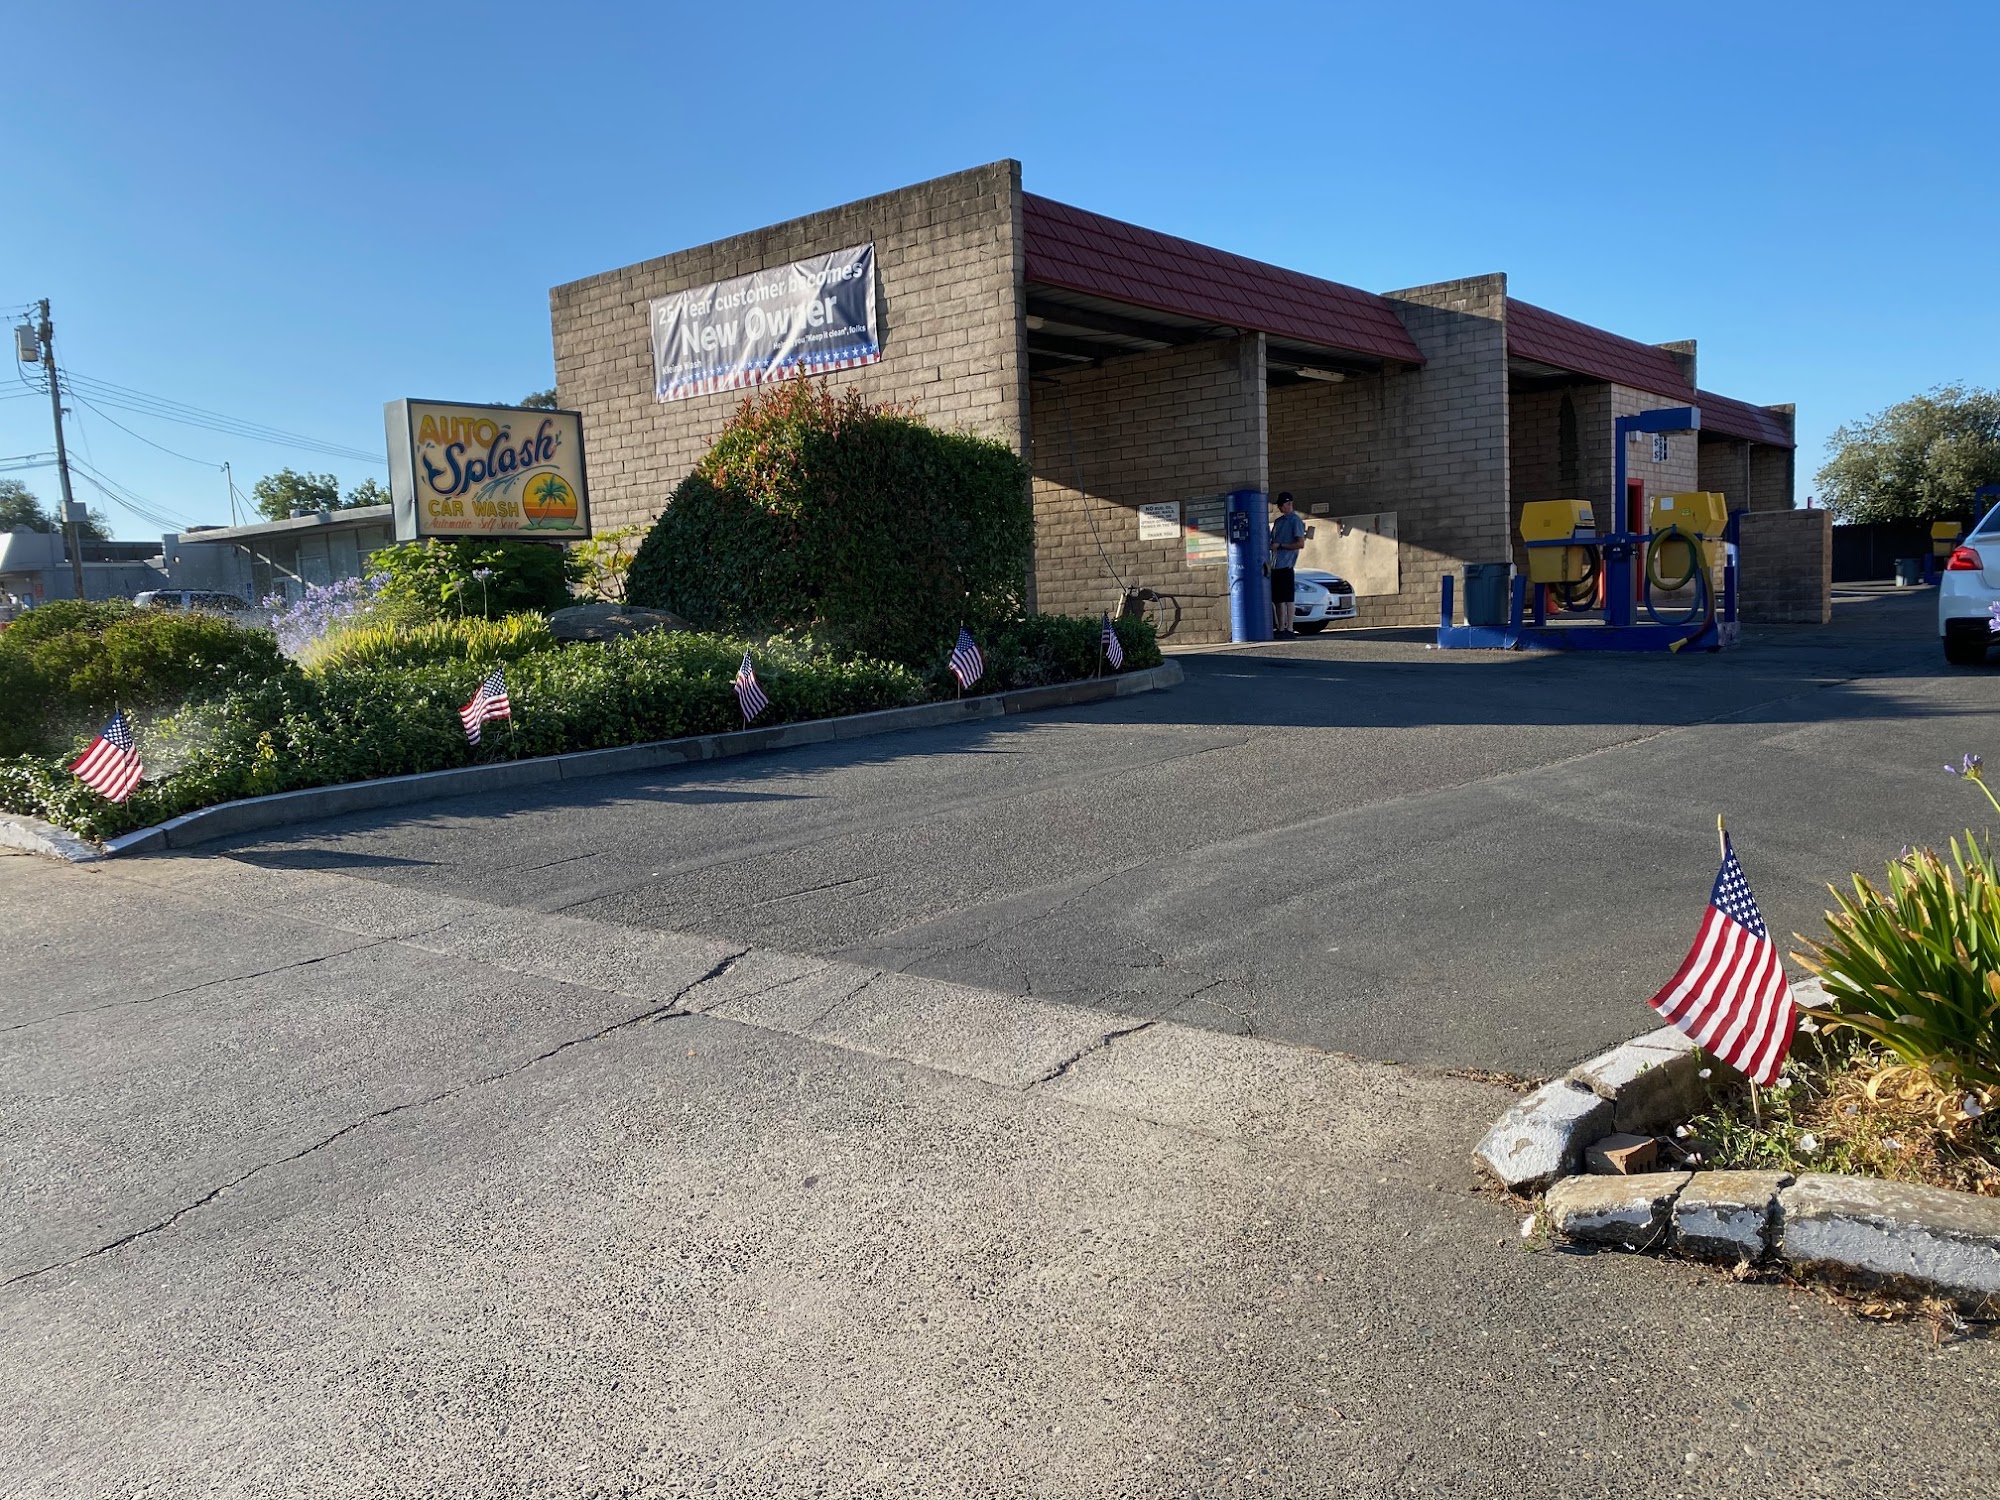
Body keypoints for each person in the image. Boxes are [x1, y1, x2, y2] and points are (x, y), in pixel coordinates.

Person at [1268, 492, 1307, 637]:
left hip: (1287, 565)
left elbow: (1300, 543)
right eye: (1284, 504)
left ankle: (1290, 628)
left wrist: (1281, 545)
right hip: (1275, 564)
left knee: (1288, 599)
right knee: (1278, 599)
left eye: (1289, 503)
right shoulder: (1278, 522)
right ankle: (1280, 627)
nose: (1288, 506)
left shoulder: (1295, 521)